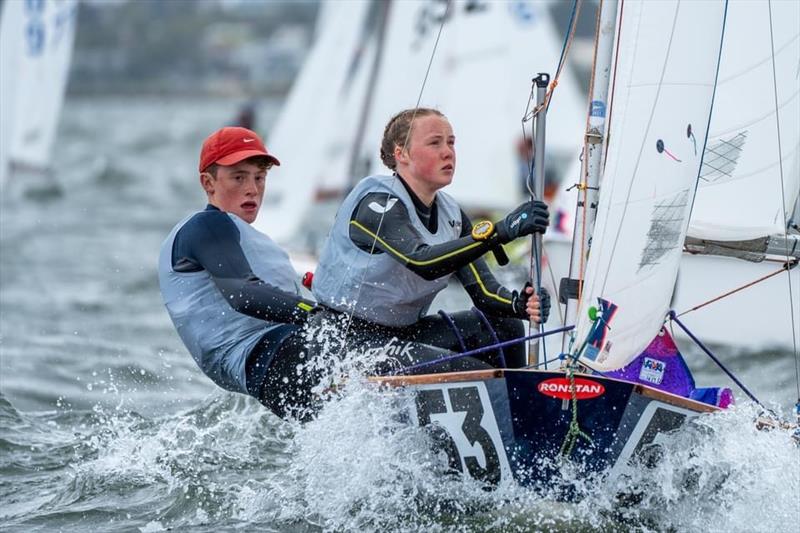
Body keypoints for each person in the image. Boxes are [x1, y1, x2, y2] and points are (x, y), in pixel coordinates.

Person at [309, 108, 551, 372]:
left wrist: (520, 304)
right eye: (435, 143)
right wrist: (502, 231)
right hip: (346, 338)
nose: (448, 152)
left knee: (505, 327)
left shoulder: (452, 215)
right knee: (458, 369)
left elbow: (484, 293)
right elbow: (423, 261)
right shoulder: (377, 204)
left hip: (405, 334)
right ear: (401, 154)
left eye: (451, 142)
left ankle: (521, 405)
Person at [158, 126, 320, 420]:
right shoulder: (207, 227)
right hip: (272, 356)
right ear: (208, 183)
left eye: (260, 177)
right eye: (238, 177)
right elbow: (242, 293)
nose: (252, 189)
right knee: (398, 355)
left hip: (268, 366)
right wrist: (316, 313)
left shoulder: (243, 237)